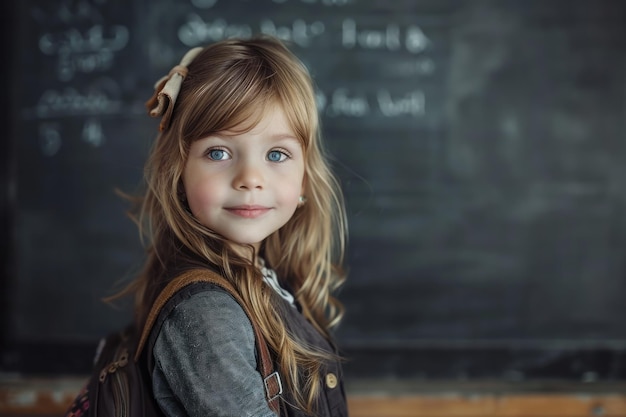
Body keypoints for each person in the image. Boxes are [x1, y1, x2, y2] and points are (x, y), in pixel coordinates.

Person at [122, 35, 349, 416]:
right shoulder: (206, 314)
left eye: (277, 154)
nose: (250, 178)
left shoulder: (260, 274)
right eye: (219, 152)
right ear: (179, 172)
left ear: (305, 179)